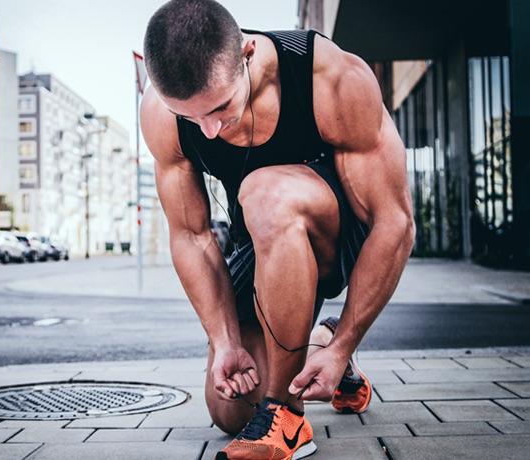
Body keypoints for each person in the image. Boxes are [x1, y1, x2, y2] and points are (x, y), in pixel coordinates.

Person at [140, 1, 415, 459]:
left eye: (221, 107)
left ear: (247, 54)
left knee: (264, 192)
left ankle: (286, 418)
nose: (208, 131)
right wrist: (223, 339)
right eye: (191, 118)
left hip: (337, 233)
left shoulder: (329, 77)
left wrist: (347, 343)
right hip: (261, 240)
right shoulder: (161, 113)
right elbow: (191, 235)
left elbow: (395, 222)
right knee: (230, 410)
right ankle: (314, 343)